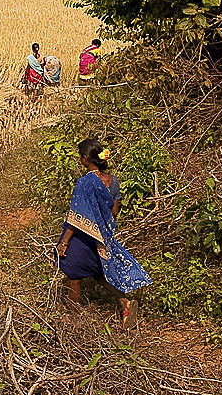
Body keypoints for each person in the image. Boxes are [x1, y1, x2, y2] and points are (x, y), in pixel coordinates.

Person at [56, 138, 151, 327]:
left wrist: (65, 241)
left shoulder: (84, 183)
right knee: (100, 272)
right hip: (102, 236)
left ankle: (73, 318)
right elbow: (114, 212)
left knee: (72, 272)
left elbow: (76, 217)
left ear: (84, 159)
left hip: (83, 237)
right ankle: (125, 302)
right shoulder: (112, 181)